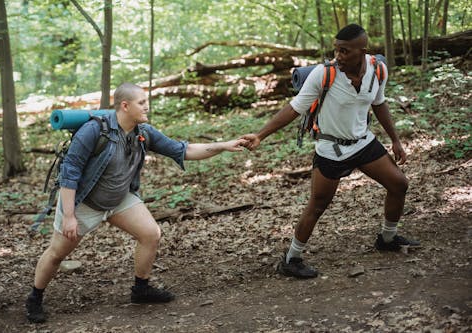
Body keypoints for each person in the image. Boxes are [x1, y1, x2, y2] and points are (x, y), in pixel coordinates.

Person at [26, 83, 247, 323]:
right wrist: (69, 216)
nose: (146, 106)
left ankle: (141, 290)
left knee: (151, 233)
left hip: (118, 199)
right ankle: (34, 298)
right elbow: (70, 173)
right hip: (84, 202)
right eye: (141, 102)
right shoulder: (92, 131)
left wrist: (224, 145)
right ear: (125, 105)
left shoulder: (143, 132)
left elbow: (183, 150)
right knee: (58, 253)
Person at [241, 24, 419, 279]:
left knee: (399, 183)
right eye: (336, 50)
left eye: (345, 51)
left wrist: (396, 140)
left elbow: (379, 103)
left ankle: (387, 238)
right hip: (331, 149)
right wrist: (260, 135)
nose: (339, 56)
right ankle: (291, 259)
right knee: (318, 204)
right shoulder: (324, 74)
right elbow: (294, 108)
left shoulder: (378, 70)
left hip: (363, 142)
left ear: (362, 51)